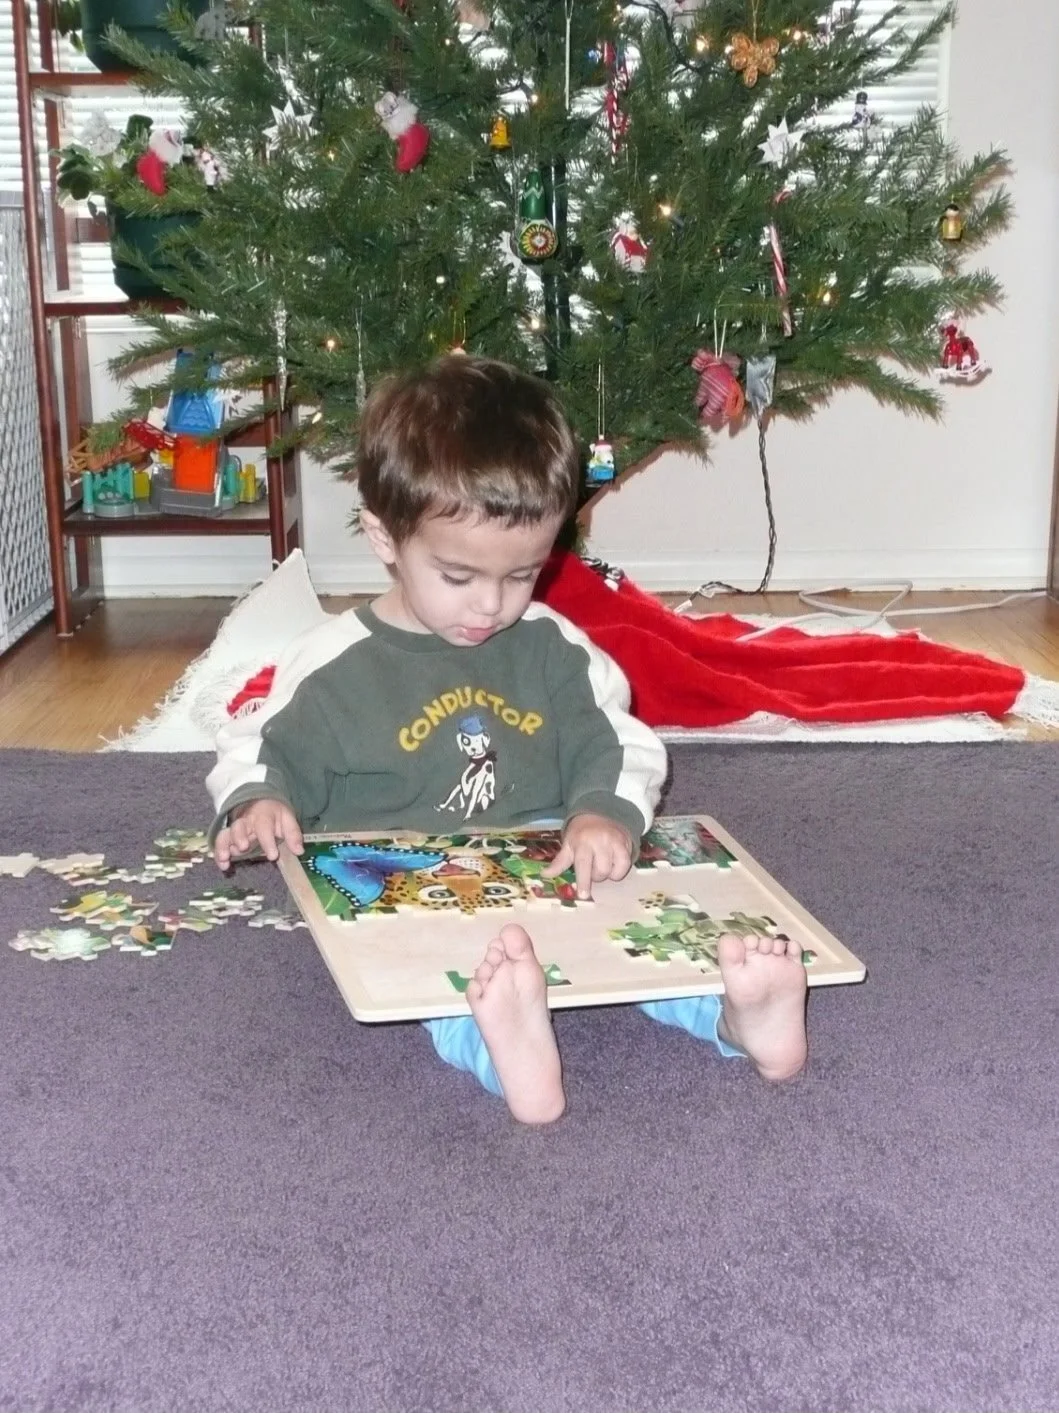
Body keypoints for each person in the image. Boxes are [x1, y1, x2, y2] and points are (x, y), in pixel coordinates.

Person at [207, 355, 808, 1123]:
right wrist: (259, 801)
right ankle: (504, 1048)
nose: (491, 604)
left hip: (548, 864)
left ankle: (734, 1014)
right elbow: (258, 749)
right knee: (436, 979)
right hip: (403, 882)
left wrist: (601, 811)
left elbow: (621, 743)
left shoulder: (554, 646)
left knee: (647, 937)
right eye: (458, 577)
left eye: (523, 574)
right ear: (383, 538)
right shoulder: (331, 668)